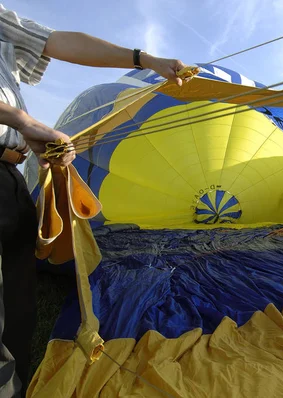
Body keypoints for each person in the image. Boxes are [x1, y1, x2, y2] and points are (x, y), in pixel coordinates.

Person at [0, 4, 189, 396]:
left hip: (8, 174)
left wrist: (145, 59)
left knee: (15, 309)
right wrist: (20, 120)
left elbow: (57, 41)